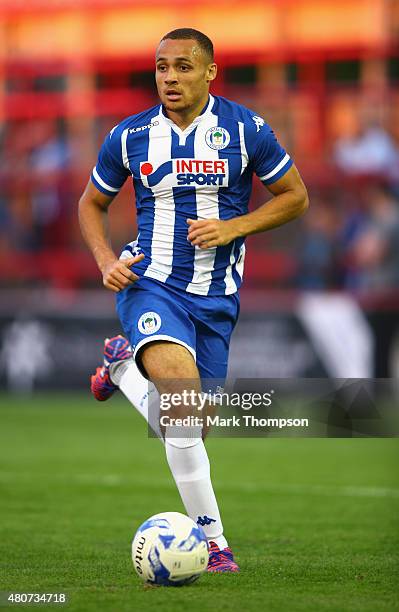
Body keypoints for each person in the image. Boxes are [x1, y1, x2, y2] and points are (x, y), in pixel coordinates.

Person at [79, 28, 308, 573]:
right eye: (161, 68)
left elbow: (295, 196)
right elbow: (91, 204)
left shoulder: (246, 129)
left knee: (190, 427)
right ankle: (214, 543)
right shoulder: (130, 136)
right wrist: (106, 262)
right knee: (182, 412)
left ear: (210, 71)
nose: (170, 78)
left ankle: (121, 370)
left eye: (183, 67)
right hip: (150, 283)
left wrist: (235, 226)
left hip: (217, 299)